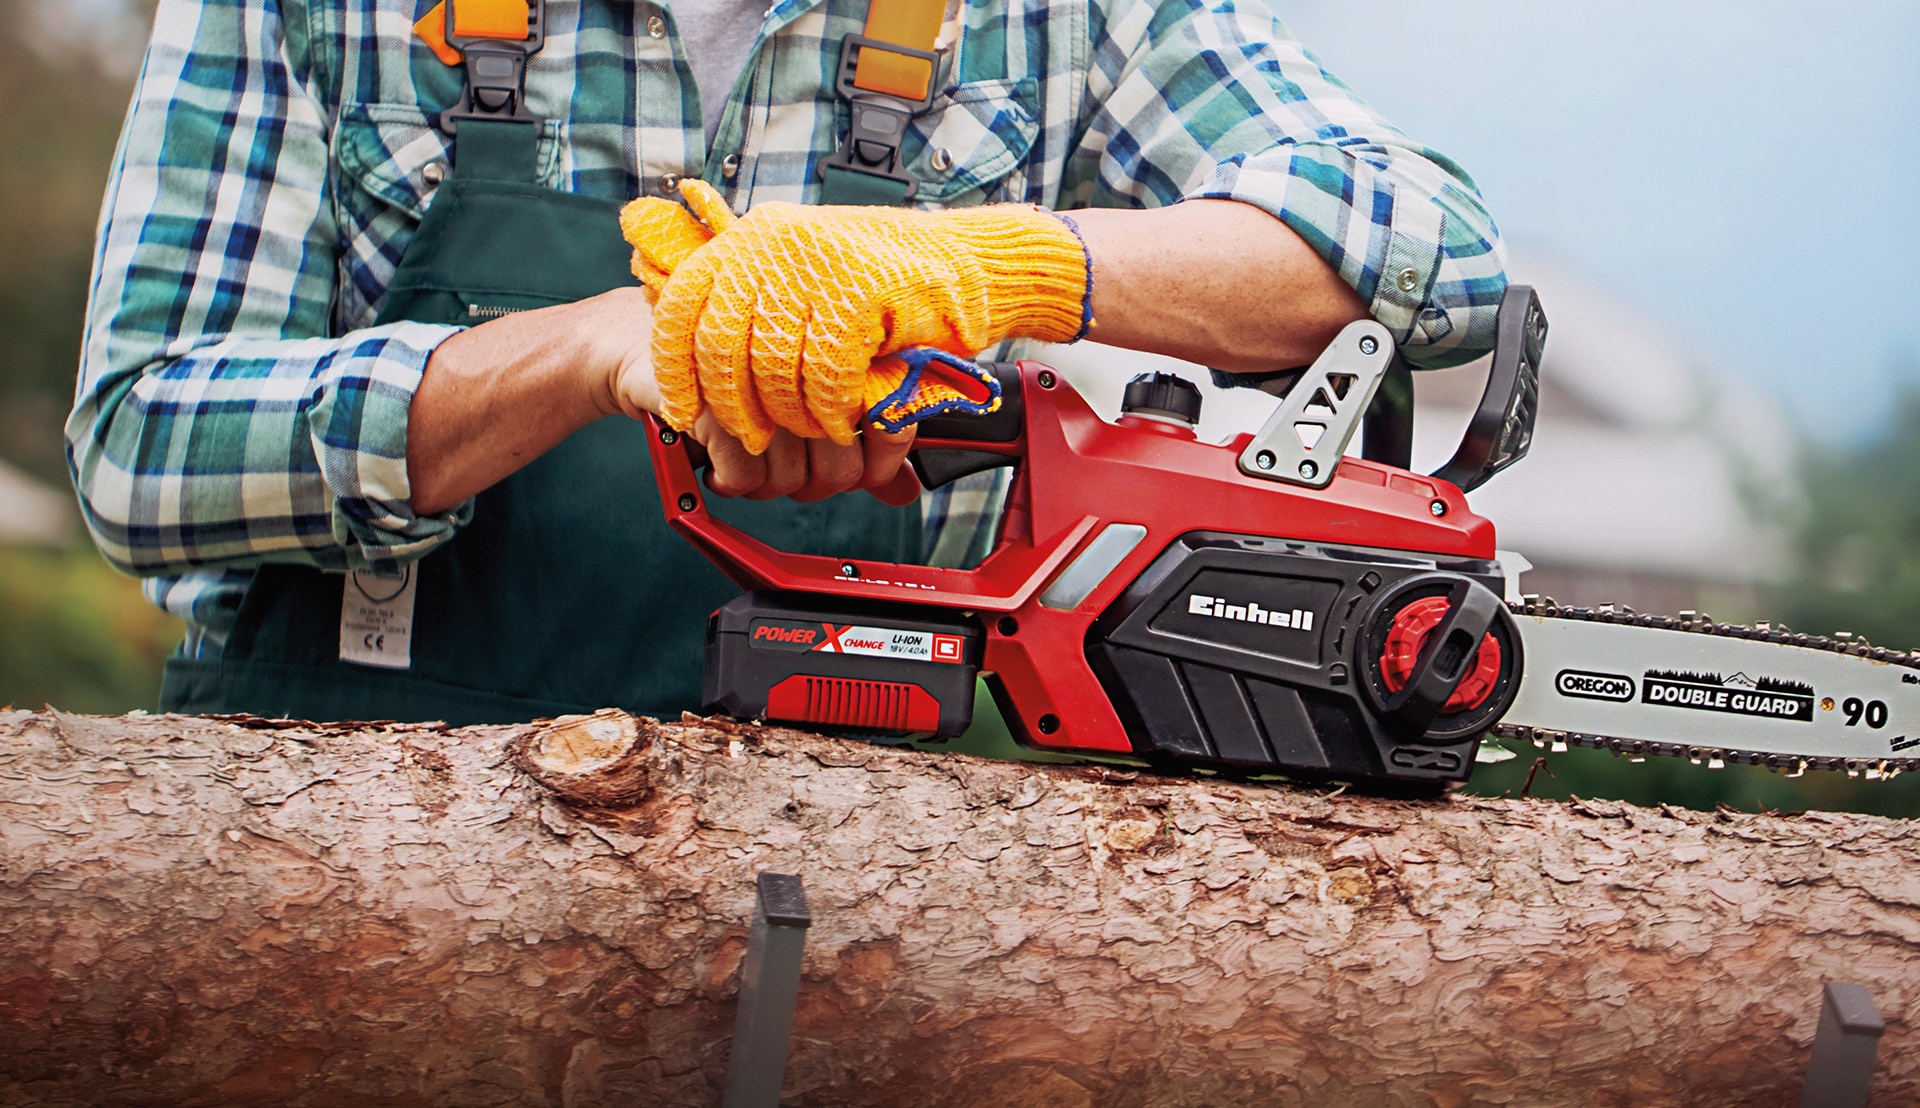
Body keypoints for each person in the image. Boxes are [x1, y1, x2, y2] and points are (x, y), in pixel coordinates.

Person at [68, 0, 1507, 725]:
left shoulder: (1051, 19)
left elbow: (1430, 242)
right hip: (332, 861)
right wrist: (585, 350)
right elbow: (141, 448)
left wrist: (987, 265)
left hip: (823, 907)